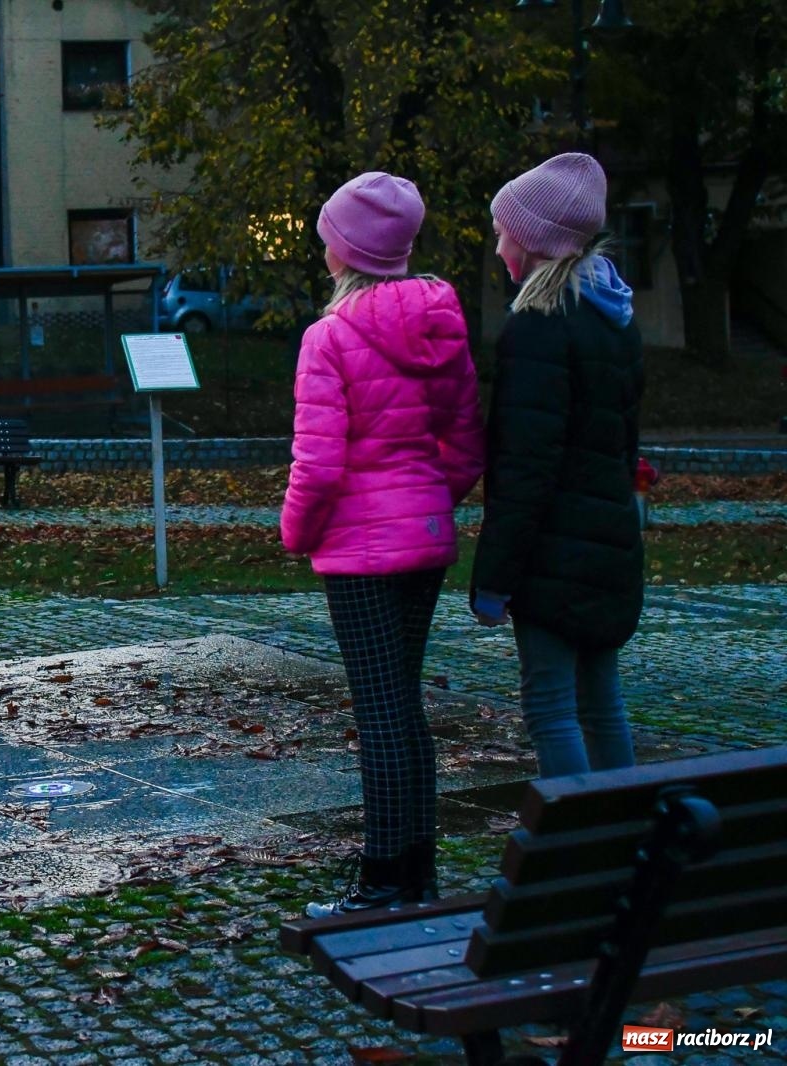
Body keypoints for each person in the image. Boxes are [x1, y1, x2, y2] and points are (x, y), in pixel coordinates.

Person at [281, 172, 486, 916]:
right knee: (404, 707)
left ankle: (383, 882)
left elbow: (319, 462)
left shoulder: (328, 338)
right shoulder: (443, 324)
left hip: (360, 556)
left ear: (345, 250)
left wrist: (296, 531)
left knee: (381, 712)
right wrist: (428, 507)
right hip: (423, 544)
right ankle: (416, 872)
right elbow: (465, 447)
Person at [472, 152, 644, 780]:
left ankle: (579, 848)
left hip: (553, 558)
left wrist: (493, 580)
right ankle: (626, 837)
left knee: (550, 705)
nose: (497, 247)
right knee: (602, 702)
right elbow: (621, 447)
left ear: (534, 239)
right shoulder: (612, 319)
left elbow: (523, 470)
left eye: (503, 231)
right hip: (608, 548)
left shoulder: (538, 329)